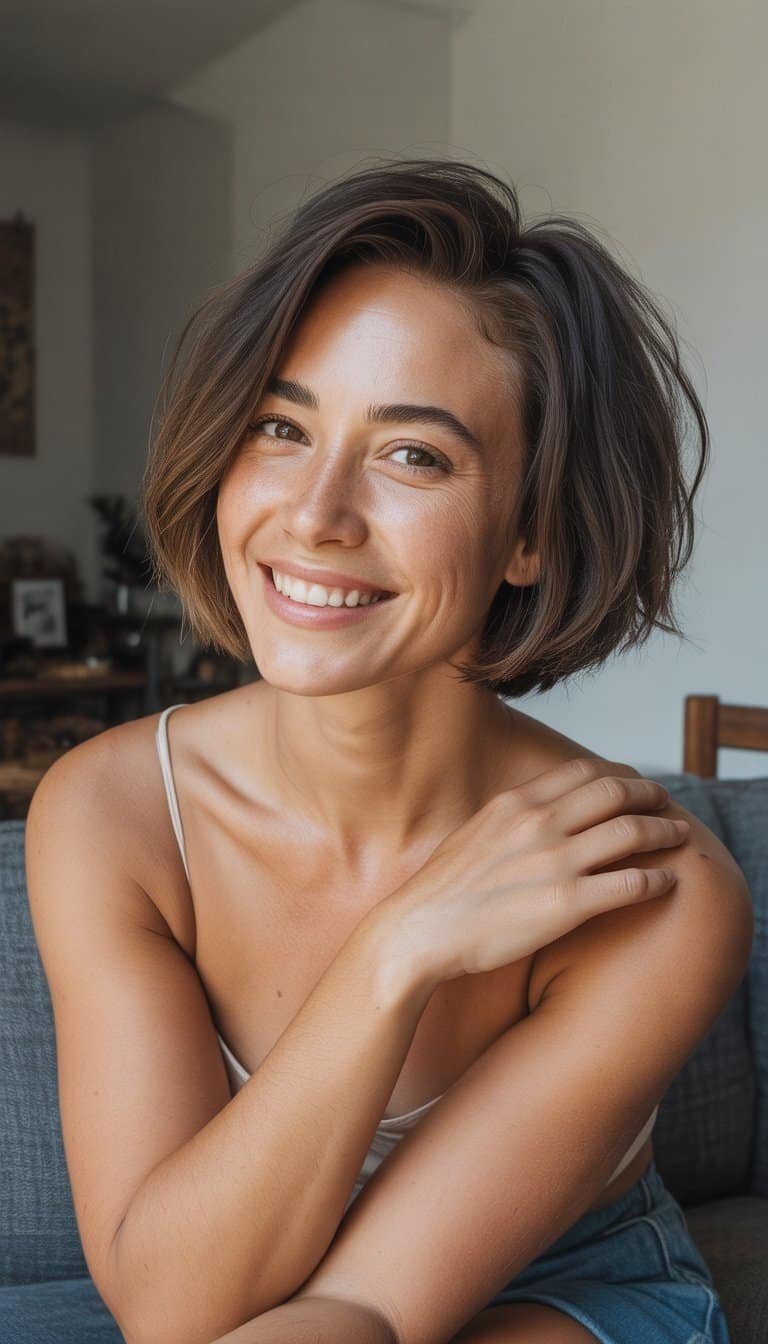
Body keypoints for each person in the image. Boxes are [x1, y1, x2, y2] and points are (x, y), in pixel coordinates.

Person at [26, 158, 751, 1344]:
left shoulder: (654, 892)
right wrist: (397, 951)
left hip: (562, 1286)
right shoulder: (111, 815)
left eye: (413, 454)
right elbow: (170, 1303)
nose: (313, 516)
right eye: (279, 426)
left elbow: (366, 1310)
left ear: (530, 532)